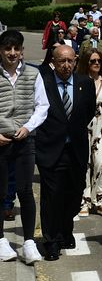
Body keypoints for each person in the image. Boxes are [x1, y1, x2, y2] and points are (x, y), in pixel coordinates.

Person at [35, 45, 96, 261]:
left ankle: (65, 230)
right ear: (53, 61)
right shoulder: (43, 83)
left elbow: (88, 112)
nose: (66, 65)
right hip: (51, 148)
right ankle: (51, 241)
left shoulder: (85, 83)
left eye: (70, 61)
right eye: (62, 61)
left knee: (74, 193)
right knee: (52, 197)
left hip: (76, 149)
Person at [0, 30, 48, 265]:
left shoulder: (33, 73)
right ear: (1, 50)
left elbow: (42, 106)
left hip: (25, 140)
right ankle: (0, 241)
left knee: (25, 191)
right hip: (0, 140)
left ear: (22, 51)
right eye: (7, 49)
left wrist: (28, 127)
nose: (12, 53)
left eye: (16, 49)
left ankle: (29, 242)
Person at [77, 49, 102, 218]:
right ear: (86, 63)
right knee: (84, 165)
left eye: (99, 60)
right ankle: (84, 201)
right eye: (93, 61)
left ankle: (101, 200)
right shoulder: (79, 81)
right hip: (83, 128)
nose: (97, 63)